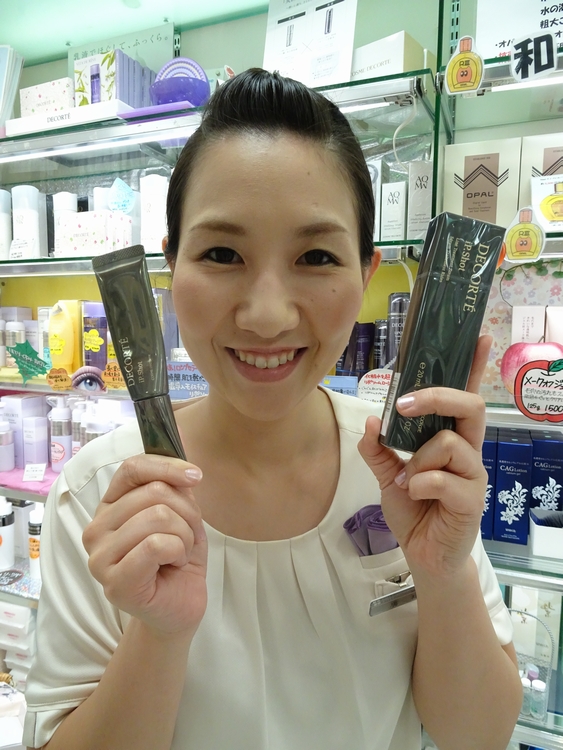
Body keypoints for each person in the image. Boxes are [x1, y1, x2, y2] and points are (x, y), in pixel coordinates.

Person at [23, 68, 522, 750]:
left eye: (315, 256)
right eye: (221, 253)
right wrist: (159, 634)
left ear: (365, 273)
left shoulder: (408, 469)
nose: (266, 315)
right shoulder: (102, 498)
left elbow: (478, 735)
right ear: (172, 267)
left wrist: (442, 575)